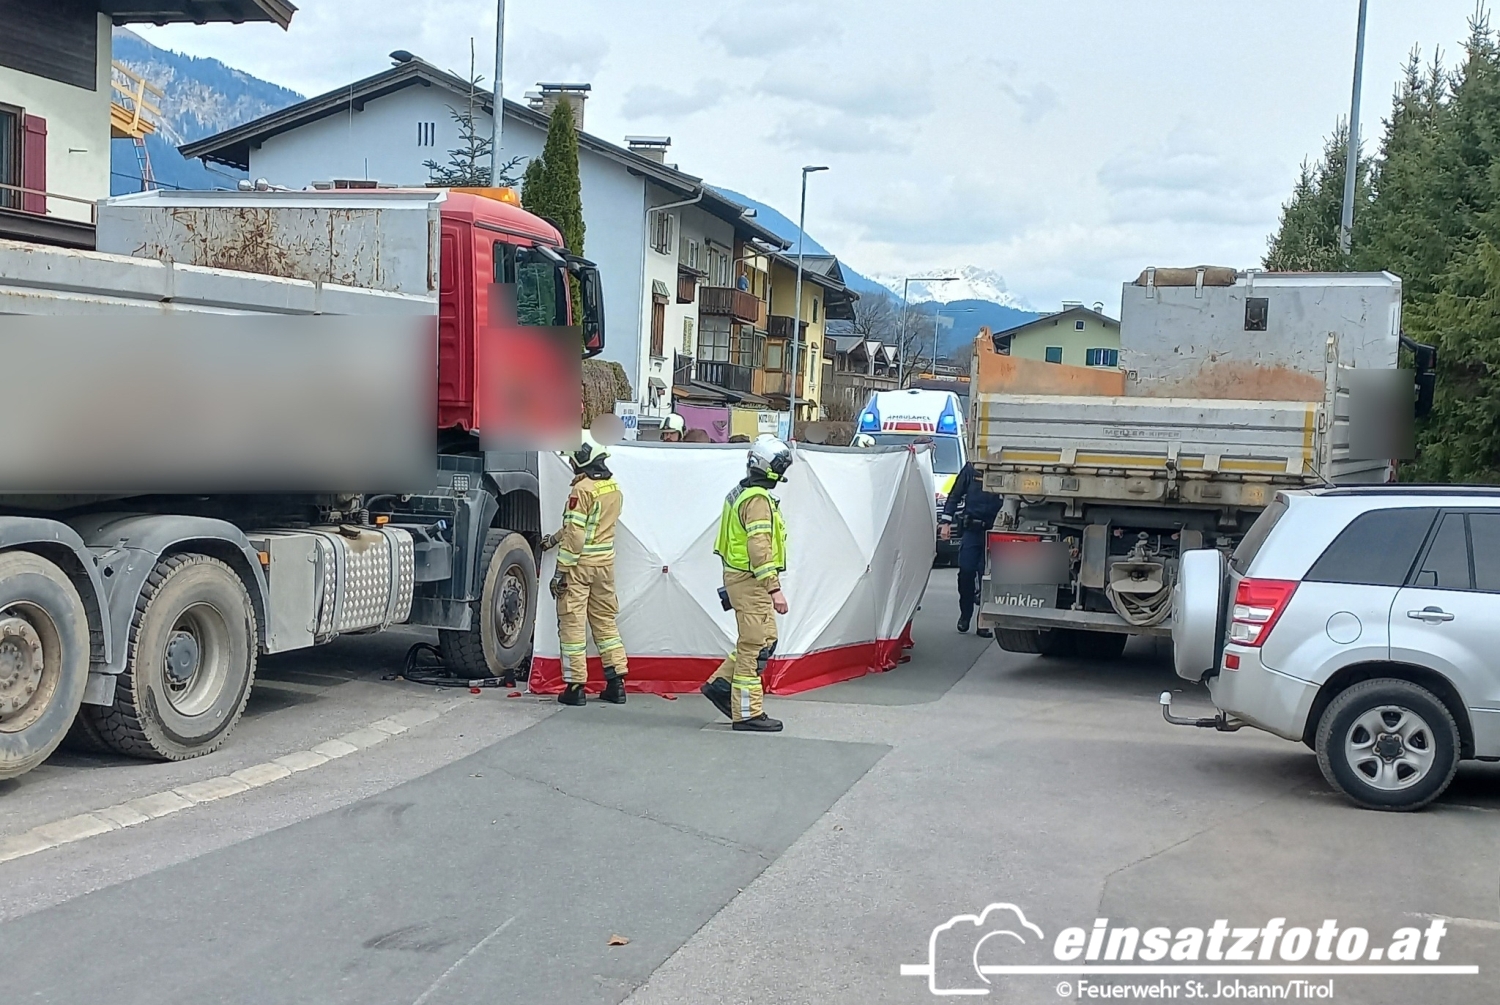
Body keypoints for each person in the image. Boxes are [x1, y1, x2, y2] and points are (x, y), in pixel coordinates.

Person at [701, 435, 793, 732]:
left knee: (764, 640)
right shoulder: (757, 500)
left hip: (744, 579)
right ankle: (747, 714)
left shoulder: (745, 493)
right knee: (755, 645)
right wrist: (774, 588)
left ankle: (720, 685)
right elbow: (759, 547)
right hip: (751, 580)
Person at [541, 432, 628, 705]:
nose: (571, 465)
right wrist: (554, 539)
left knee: (572, 624)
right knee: (605, 622)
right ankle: (616, 683)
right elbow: (586, 526)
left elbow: (577, 534)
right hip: (605, 566)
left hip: (579, 567)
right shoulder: (612, 487)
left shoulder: (582, 490)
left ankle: (575, 687)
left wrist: (561, 572)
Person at [941, 460, 1001, 638]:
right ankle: (965, 615)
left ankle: (983, 622)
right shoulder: (971, 468)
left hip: (994, 531)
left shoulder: (1005, 468)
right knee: (966, 573)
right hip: (972, 531)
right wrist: (945, 522)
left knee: (988, 578)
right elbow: (955, 495)